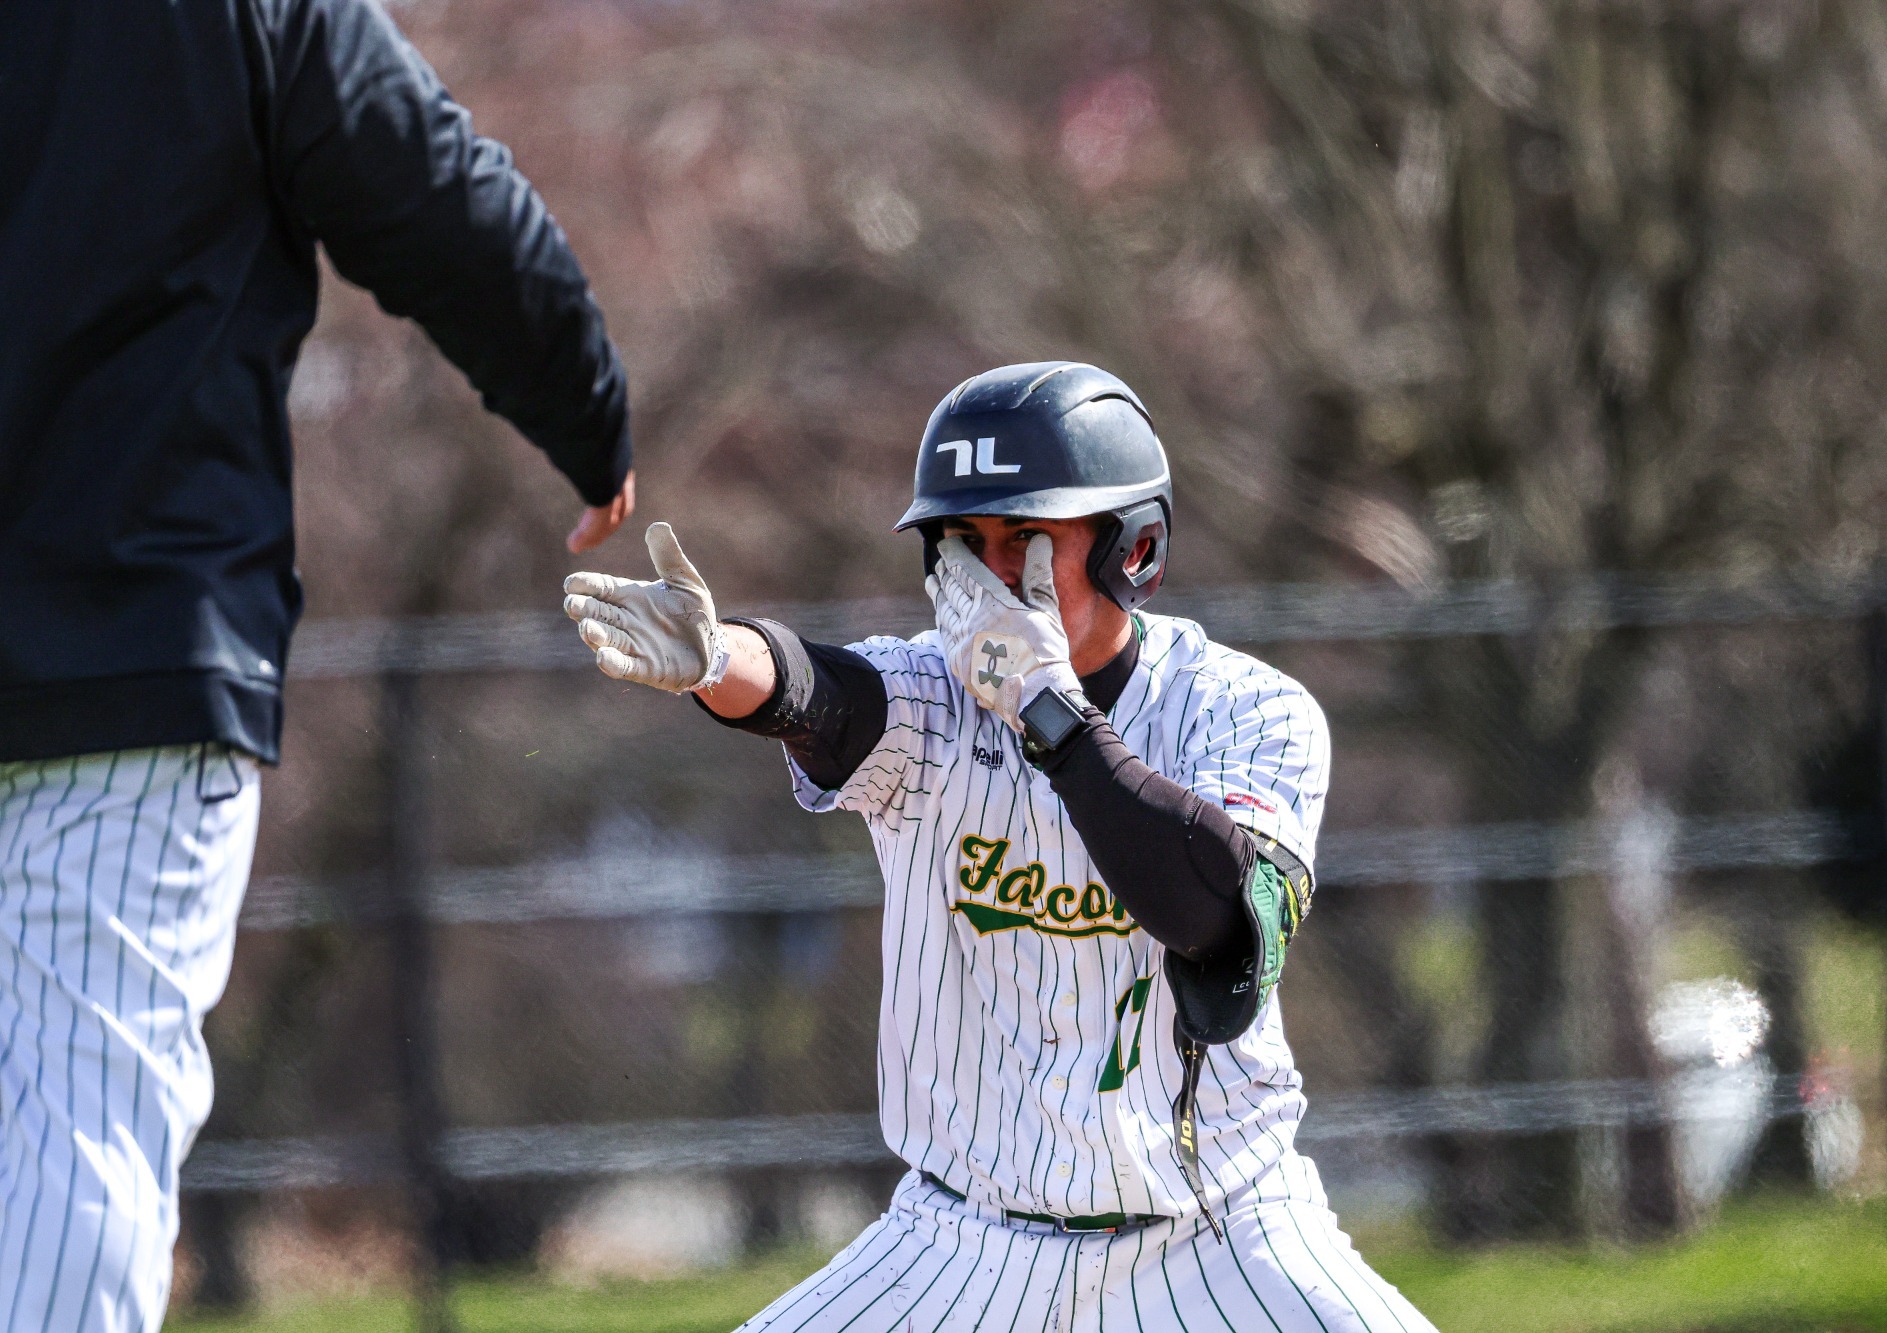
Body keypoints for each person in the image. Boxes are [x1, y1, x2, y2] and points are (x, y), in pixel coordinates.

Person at [562, 362, 1435, 1331]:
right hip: (959, 1242)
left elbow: (1205, 915)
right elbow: (823, 694)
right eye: (963, 542)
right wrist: (720, 657)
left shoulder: (1246, 711)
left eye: (1025, 538)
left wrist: (1042, 702)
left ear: (1131, 548)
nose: (987, 575)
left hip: (1223, 1234)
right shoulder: (932, 695)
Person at [0, 0, 635, 1326]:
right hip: (139, 659)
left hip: (140, 660)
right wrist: (587, 408)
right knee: (76, 1129)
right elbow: (434, 194)